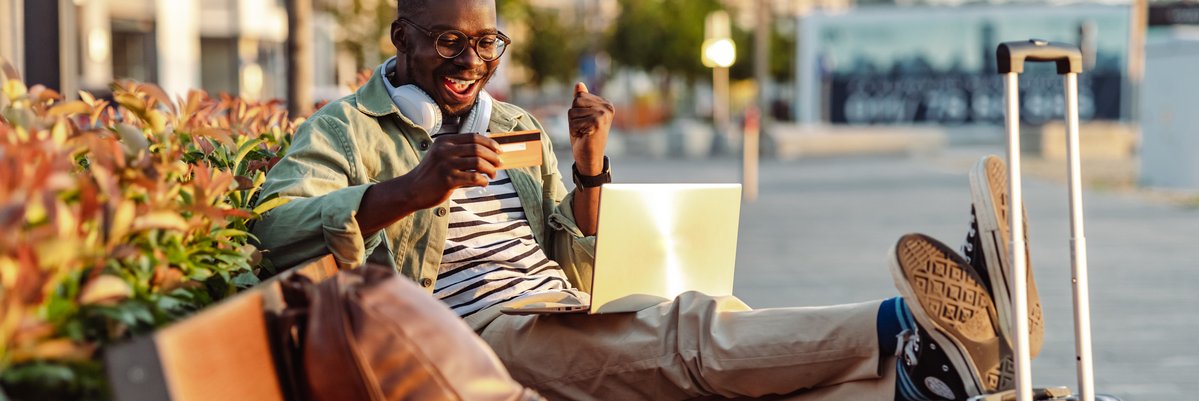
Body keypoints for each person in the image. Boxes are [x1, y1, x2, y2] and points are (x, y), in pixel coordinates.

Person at [251, 0, 1043, 399]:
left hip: (555, 305)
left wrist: (591, 167)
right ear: (400, 40)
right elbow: (277, 226)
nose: (468, 60)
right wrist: (412, 187)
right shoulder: (347, 127)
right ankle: (913, 321)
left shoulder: (516, 124)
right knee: (691, 335)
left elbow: (573, 250)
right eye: (445, 40)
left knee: (715, 341)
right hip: (475, 331)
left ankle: (922, 377)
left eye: (484, 42)